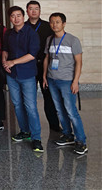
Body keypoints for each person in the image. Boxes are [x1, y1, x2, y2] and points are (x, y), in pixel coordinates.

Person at [43, 12, 87, 155]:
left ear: (64, 24)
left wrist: (75, 81)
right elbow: (47, 58)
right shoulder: (49, 39)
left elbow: (79, 62)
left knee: (71, 111)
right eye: (52, 22)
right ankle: (68, 135)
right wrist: (44, 76)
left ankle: (81, 141)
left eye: (57, 22)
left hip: (67, 81)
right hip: (52, 79)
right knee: (59, 109)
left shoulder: (73, 40)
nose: (54, 25)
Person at [2, 6, 43, 153]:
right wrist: (4, 62)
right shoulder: (8, 33)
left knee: (30, 106)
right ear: (10, 18)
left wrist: (13, 62)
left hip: (27, 74)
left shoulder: (31, 33)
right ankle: (25, 131)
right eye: (13, 16)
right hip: (12, 75)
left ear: (23, 16)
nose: (16, 18)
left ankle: (36, 138)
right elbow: (5, 50)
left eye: (18, 15)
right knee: (17, 105)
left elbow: (32, 55)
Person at [26, 0, 60, 132]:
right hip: (28, 67)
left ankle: (54, 125)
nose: (34, 11)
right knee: (29, 98)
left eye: (36, 8)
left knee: (49, 96)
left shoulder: (48, 26)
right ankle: (30, 127)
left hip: (45, 66)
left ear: (40, 11)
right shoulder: (23, 26)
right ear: (27, 11)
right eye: (31, 8)